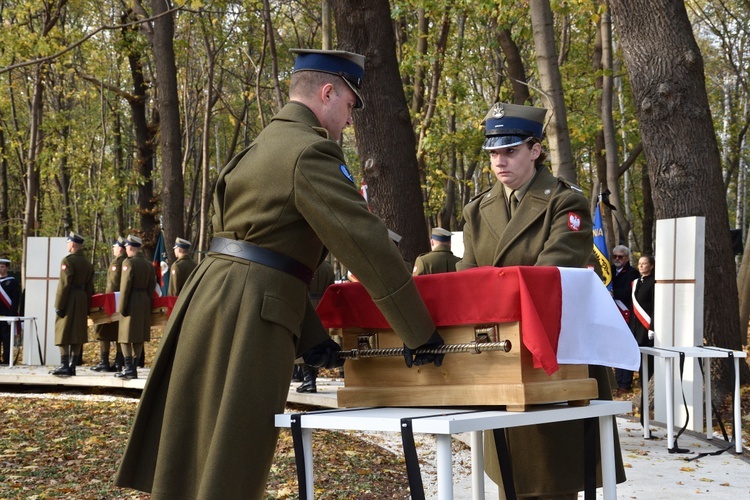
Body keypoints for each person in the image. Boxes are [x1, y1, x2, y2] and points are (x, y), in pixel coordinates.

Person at [115, 48, 443, 499]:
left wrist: (310, 338)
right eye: (349, 106)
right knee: (232, 454)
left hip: (209, 300)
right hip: (245, 317)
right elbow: (366, 245)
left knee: (194, 450)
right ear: (328, 93)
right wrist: (418, 332)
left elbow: (266, 256)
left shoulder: (256, 148)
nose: (350, 121)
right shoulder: (309, 152)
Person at [457, 102, 625, 499]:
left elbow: (548, 277)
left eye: (510, 150)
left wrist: (490, 289)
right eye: (494, 152)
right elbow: (464, 280)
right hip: (499, 353)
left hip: (551, 353)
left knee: (553, 477)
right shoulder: (478, 210)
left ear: (535, 150)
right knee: (509, 476)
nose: (500, 161)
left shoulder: (565, 203)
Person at [51, 232, 94, 377]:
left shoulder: (68, 261)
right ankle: (73, 365)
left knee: (62, 331)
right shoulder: (87, 263)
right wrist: (88, 306)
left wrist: (59, 305)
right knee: (77, 333)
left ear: (73, 244)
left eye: (68, 242)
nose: (68, 245)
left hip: (69, 299)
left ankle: (64, 364)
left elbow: (64, 285)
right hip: (82, 299)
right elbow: (90, 287)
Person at [115, 235, 156, 379]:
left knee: (124, 337)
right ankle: (134, 367)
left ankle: (129, 368)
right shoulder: (148, 264)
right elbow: (152, 286)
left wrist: (122, 307)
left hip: (131, 301)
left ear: (131, 247)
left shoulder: (129, 263)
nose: (125, 248)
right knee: (138, 337)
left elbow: (125, 287)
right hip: (144, 301)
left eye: (126, 246)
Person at [296, 259, 336, 393]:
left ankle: (308, 381)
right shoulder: (328, 268)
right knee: (317, 344)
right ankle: (310, 380)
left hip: (306, 305)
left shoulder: (306, 262)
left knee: (305, 343)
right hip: (322, 306)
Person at [91, 237, 127, 372]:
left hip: (113, 302)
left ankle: (104, 361)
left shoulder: (117, 263)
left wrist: (108, 302)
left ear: (121, 248)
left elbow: (113, 284)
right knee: (119, 332)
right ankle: (118, 361)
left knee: (103, 330)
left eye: (115, 247)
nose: (113, 249)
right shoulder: (128, 261)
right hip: (121, 302)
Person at [611, 245, 641, 395]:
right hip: (612, 315)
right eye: (615, 256)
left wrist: (613, 292)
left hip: (627, 314)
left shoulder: (633, 273)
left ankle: (625, 383)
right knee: (615, 350)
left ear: (627, 258)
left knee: (626, 349)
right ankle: (616, 381)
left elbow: (631, 292)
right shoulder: (608, 270)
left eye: (620, 257)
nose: (617, 259)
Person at [631, 255, 655, 384]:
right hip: (636, 327)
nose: (640, 266)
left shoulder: (653, 282)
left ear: (651, 266)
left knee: (649, 363)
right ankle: (642, 386)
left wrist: (652, 327)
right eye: (639, 263)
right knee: (641, 362)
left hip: (646, 329)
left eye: (644, 264)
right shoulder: (637, 282)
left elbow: (655, 306)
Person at [0, 258, 21, 365]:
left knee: (7, 340)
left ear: (7, 267)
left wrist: (12, 315)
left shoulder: (13, 282)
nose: (0, 268)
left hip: (7, 316)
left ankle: (7, 360)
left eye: (2, 266)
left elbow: (15, 300)